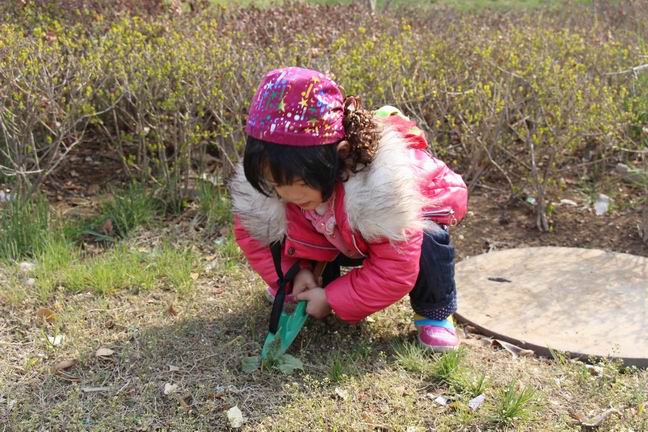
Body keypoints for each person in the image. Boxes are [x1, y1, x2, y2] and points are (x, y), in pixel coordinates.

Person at [230, 67, 467, 351]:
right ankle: (304, 284)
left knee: (429, 243)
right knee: (276, 225)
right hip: (337, 235)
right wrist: (295, 273)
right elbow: (256, 238)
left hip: (401, 227)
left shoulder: (383, 189)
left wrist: (332, 300)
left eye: (296, 183)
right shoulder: (282, 193)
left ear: (338, 156)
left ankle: (435, 313)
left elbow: (394, 270)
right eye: (273, 183)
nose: (286, 194)